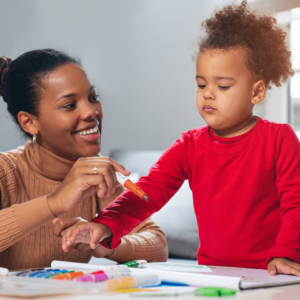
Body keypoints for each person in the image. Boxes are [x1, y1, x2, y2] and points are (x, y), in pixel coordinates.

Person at [61, 1, 300, 276]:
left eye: (222, 86)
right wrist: (104, 224)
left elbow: (296, 204)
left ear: (256, 93)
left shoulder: (279, 139)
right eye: (201, 84)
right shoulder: (189, 146)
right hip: (214, 274)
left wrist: (284, 254)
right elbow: (146, 194)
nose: (208, 94)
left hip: (272, 272)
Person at [0, 49, 167, 270]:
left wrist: (108, 244)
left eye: (93, 98)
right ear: (29, 122)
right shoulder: (5, 170)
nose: (91, 112)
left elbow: (158, 244)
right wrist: (55, 202)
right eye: (69, 105)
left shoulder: (97, 172)